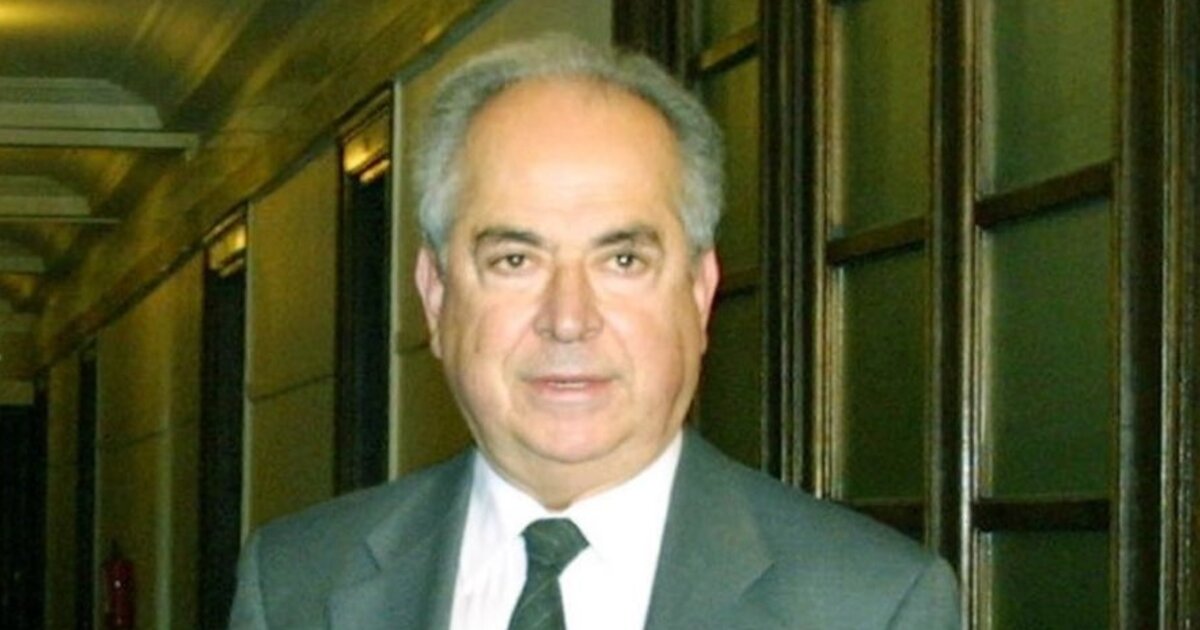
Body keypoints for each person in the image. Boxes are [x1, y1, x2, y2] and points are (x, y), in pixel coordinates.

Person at [229, 34, 960, 630]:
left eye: (622, 260)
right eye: (515, 260)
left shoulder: (872, 605)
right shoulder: (295, 584)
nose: (569, 319)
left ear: (699, 292)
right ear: (436, 295)